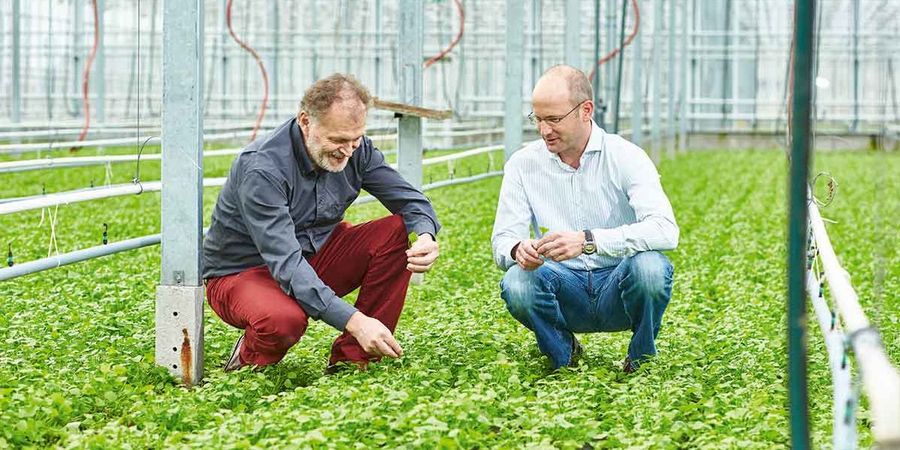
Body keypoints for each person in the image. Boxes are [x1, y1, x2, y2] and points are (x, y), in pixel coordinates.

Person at [202, 73, 441, 373]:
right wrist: (356, 321)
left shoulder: (357, 149)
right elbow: (287, 265)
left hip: (312, 255)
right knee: (283, 320)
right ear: (305, 121)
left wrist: (425, 235)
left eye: (356, 139)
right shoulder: (263, 169)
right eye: (338, 140)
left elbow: (411, 202)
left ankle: (353, 361)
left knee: (395, 231)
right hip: (244, 272)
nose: (348, 150)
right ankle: (247, 363)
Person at [490, 65, 678, 372]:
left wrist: (589, 241)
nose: (544, 130)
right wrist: (516, 250)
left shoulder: (626, 156)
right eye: (537, 119)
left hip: (618, 283)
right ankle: (563, 355)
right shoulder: (523, 165)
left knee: (650, 268)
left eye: (554, 119)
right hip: (564, 286)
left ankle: (640, 359)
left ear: (585, 110)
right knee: (517, 282)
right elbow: (503, 240)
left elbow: (665, 230)